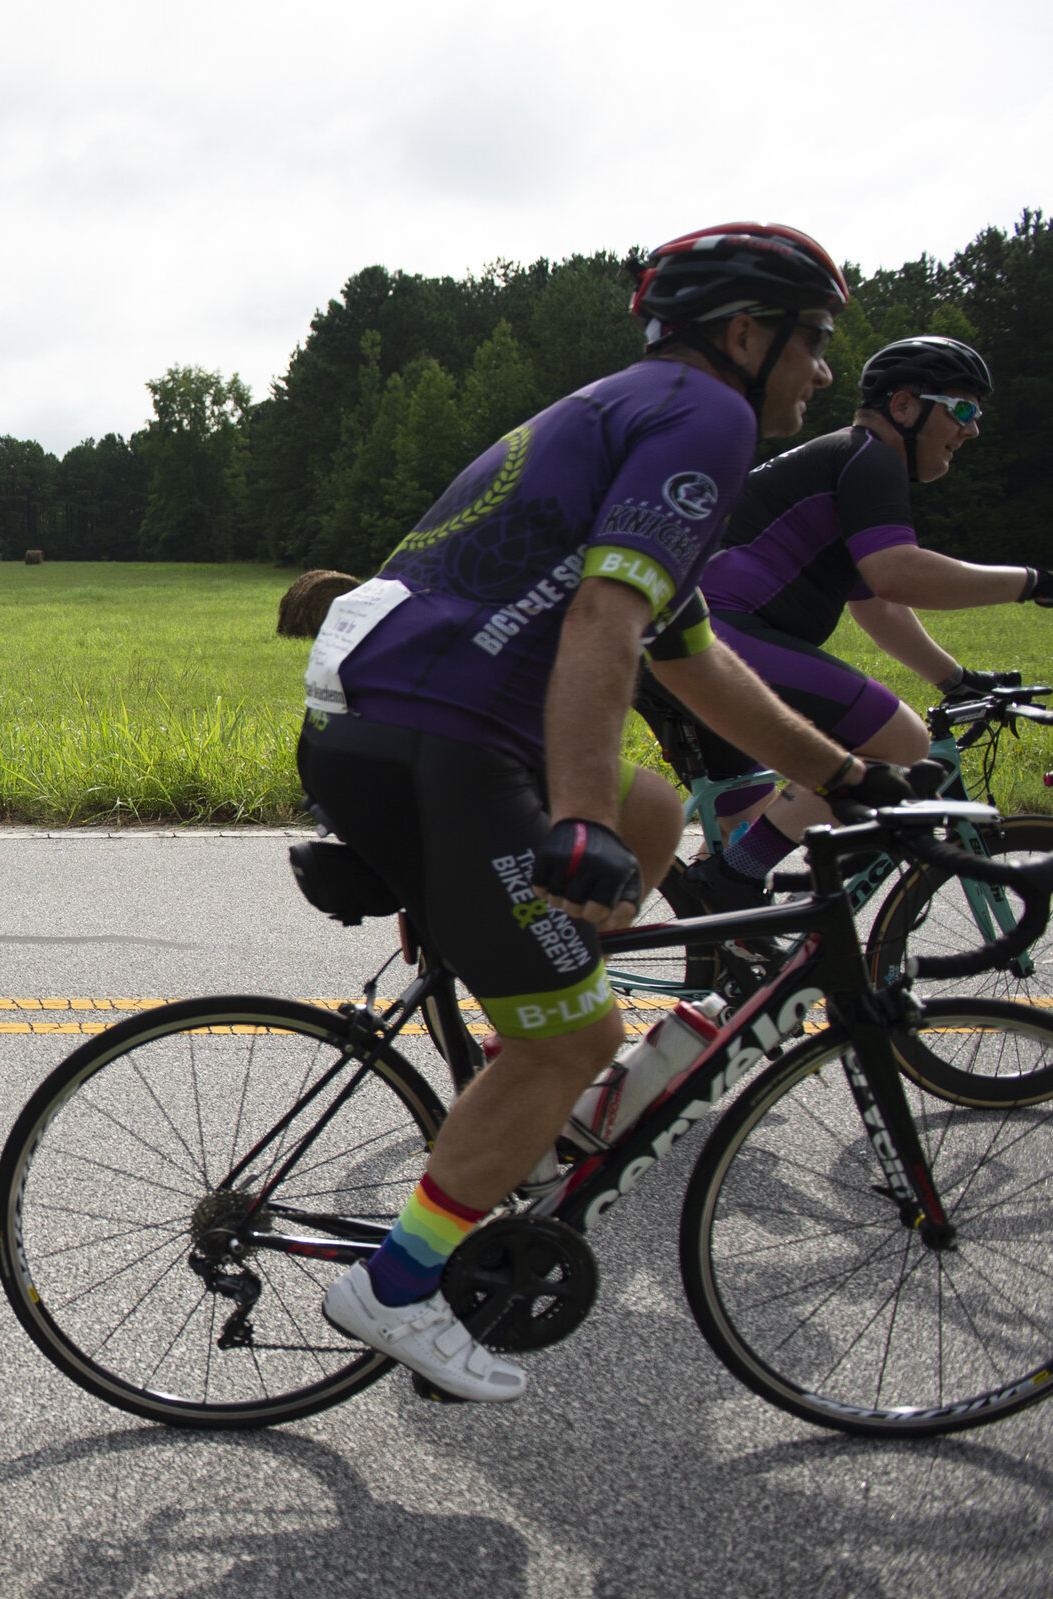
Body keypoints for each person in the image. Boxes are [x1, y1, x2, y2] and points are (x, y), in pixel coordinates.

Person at [297, 223, 924, 1401]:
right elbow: (602, 619)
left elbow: (686, 652)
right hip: (444, 732)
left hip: (386, 711)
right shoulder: (708, 418)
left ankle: (513, 1102)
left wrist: (844, 774)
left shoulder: (626, 406)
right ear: (747, 334)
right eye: (814, 342)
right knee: (576, 1030)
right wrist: (572, 816)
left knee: (646, 812)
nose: (824, 373)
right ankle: (394, 1285)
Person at [639, 335, 1047, 912]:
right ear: (904, 406)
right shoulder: (870, 457)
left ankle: (732, 961)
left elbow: (874, 603)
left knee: (748, 837)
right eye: (962, 408)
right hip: (715, 635)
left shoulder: (846, 461)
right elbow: (897, 575)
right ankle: (728, 880)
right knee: (900, 743)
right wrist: (1034, 580)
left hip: (675, 641)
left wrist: (955, 679)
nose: (972, 428)